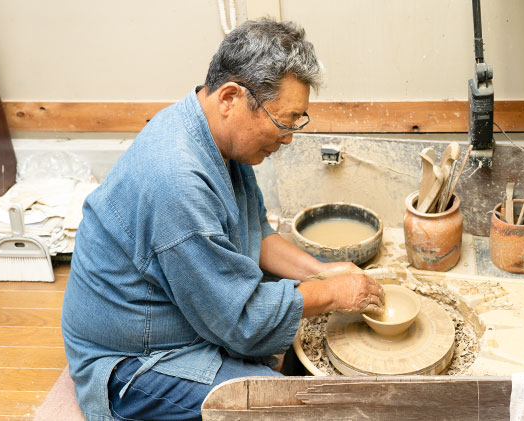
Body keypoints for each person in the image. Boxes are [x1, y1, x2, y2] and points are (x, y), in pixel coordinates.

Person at [61, 18, 384, 421]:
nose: (288, 138)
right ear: (230, 97)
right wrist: (335, 294)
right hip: (131, 358)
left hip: (183, 313)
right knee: (292, 408)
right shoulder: (176, 179)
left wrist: (322, 272)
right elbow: (242, 317)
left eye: (297, 122)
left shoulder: (216, 135)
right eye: (284, 121)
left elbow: (255, 233)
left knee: (287, 354)